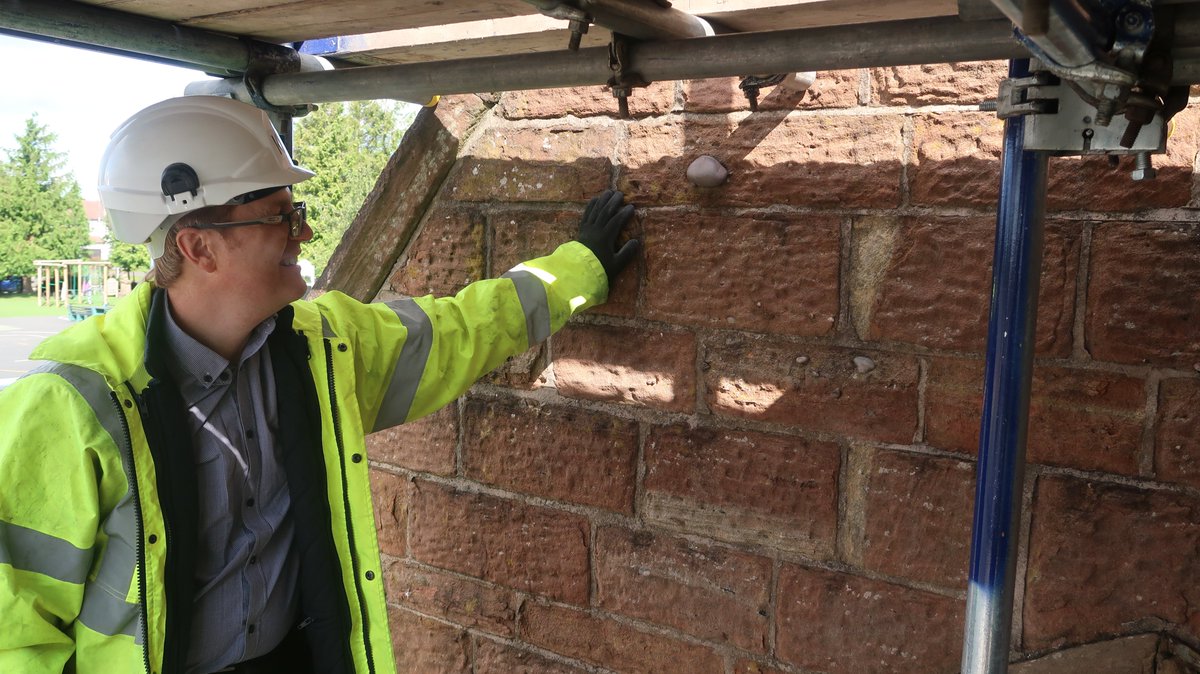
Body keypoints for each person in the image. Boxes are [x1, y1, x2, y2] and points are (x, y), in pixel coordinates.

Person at [0, 95, 639, 674]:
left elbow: (456, 330)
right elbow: (16, 633)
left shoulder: (322, 346)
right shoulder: (72, 403)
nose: (303, 231)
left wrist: (577, 270)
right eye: (280, 215)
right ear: (199, 246)